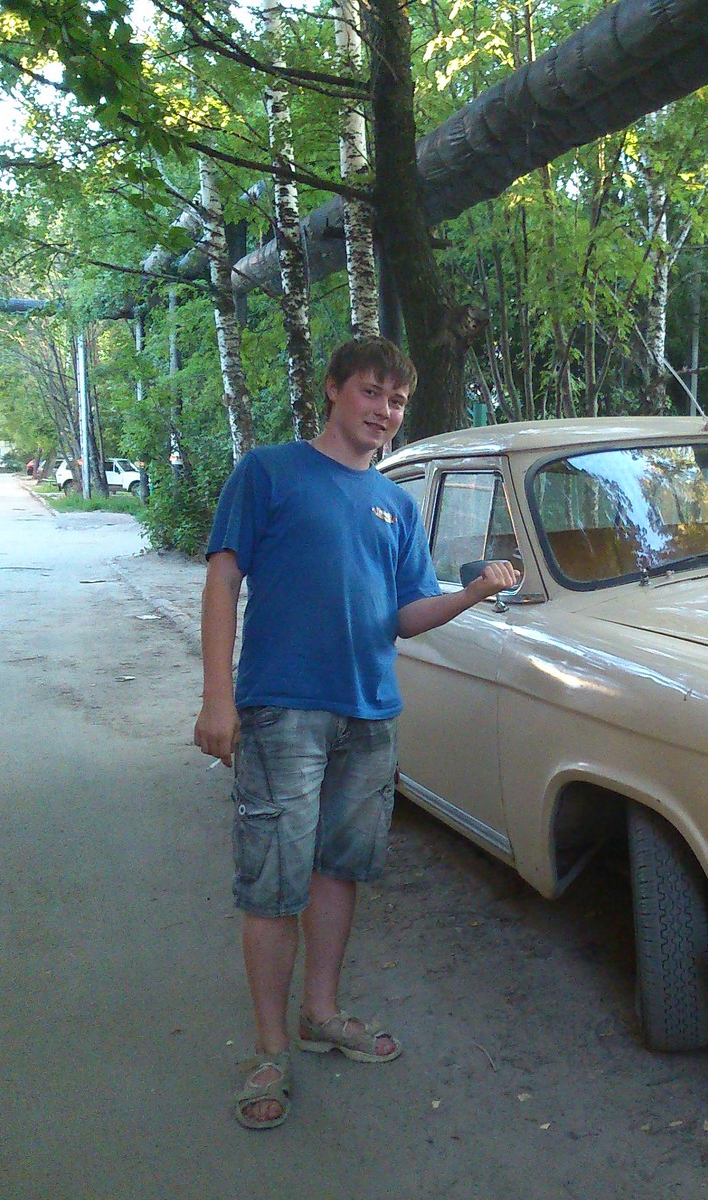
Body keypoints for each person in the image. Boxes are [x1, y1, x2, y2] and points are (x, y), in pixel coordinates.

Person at [194, 337, 519, 1130]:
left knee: (339, 871)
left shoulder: (397, 505)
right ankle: (270, 1047)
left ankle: (322, 1013)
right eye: (372, 393)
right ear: (334, 391)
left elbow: (405, 615)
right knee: (273, 882)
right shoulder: (268, 472)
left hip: (370, 715)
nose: (385, 412)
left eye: (398, 401)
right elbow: (222, 579)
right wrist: (215, 698)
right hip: (281, 710)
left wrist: (472, 593)